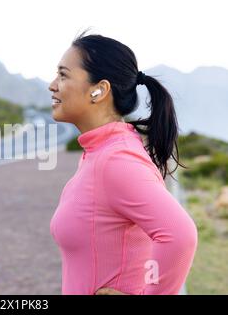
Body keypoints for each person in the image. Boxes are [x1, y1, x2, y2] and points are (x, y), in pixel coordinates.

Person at [49, 32, 198, 295]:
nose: (52, 85)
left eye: (63, 75)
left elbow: (180, 235)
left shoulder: (116, 160)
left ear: (99, 90)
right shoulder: (101, 152)